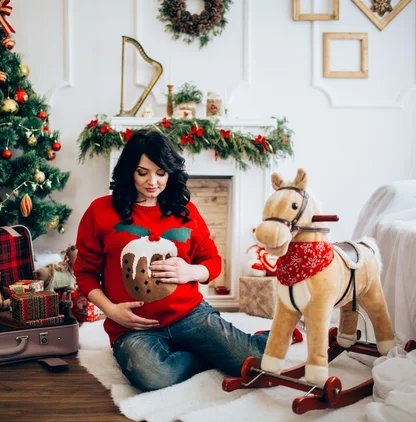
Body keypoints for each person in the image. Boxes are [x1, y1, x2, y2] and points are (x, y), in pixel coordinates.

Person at [73, 128, 272, 391]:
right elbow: (85, 273)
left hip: (189, 315)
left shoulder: (185, 211)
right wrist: (110, 310)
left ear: (170, 172)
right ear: (129, 171)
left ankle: (270, 336)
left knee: (255, 363)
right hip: (133, 327)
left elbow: (212, 261)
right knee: (155, 376)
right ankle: (206, 354)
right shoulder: (100, 211)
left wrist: (192, 272)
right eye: (142, 172)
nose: (152, 181)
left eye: (161, 172)